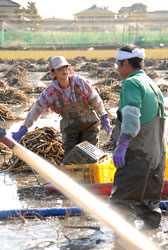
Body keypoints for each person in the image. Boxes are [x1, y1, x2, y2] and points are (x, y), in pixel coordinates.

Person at [109, 44, 167, 229]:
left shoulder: (131, 83)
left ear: (125, 63)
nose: (117, 69)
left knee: (121, 204)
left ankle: (124, 244)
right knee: (149, 206)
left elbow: (132, 117)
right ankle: (151, 240)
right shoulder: (152, 84)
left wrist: (122, 145)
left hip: (138, 155)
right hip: (158, 156)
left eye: (118, 65)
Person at [11, 56, 111, 157]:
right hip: (70, 129)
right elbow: (37, 110)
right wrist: (24, 127)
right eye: (59, 69)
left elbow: (95, 99)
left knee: (90, 156)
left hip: (89, 125)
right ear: (53, 73)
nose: (64, 70)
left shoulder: (80, 82)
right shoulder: (50, 92)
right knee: (70, 158)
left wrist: (104, 115)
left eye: (65, 67)